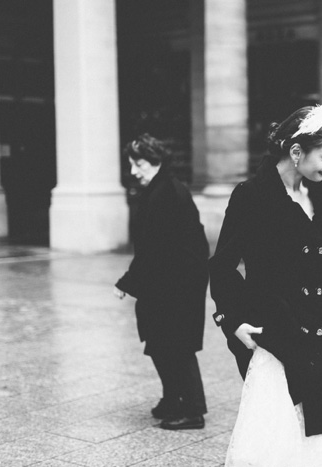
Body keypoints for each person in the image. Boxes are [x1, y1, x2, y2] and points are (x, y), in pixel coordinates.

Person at [209, 104, 322, 467]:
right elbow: (222, 266)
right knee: (274, 447)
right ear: (297, 152)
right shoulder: (251, 195)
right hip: (275, 338)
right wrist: (233, 321)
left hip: (320, 338)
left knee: (319, 438)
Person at [114, 133, 210, 431]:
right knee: (161, 343)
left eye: (139, 163)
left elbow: (155, 247)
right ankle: (172, 400)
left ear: (156, 162)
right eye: (132, 164)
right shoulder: (162, 189)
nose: (134, 171)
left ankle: (193, 411)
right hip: (170, 283)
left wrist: (127, 281)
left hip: (176, 286)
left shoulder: (166, 193)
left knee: (176, 346)